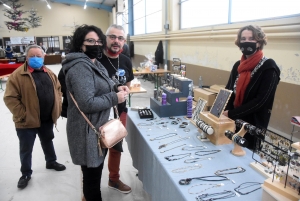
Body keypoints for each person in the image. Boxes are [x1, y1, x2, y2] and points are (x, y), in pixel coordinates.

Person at [61, 24, 129, 201]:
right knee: (92, 182)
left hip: (97, 128)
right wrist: (116, 98)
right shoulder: (79, 67)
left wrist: (116, 86)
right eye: (90, 41)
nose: (96, 44)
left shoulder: (93, 62)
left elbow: (105, 81)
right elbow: (87, 103)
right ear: (80, 43)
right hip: (87, 132)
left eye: (98, 41)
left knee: (94, 174)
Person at [3, 45, 66, 189]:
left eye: (39, 56)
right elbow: (10, 98)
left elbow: (58, 90)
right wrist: (23, 114)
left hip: (46, 118)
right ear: (27, 58)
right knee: (26, 148)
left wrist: (57, 106)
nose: (36, 59)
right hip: (27, 120)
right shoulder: (17, 75)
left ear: (44, 57)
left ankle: (51, 161)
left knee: (48, 141)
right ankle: (25, 173)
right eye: (32, 56)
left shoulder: (49, 72)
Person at [223, 25, 280, 150]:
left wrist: (231, 113)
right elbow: (229, 91)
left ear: (258, 42)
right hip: (231, 121)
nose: (246, 42)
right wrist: (220, 110)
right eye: (243, 39)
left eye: (251, 38)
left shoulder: (269, 67)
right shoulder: (238, 65)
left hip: (252, 124)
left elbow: (260, 102)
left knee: (246, 155)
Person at [97, 24, 134, 194]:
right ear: (105, 38)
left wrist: (125, 91)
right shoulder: (95, 59)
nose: (116, 41)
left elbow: (127, 84)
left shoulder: (125, 60)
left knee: (115, 149)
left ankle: (114, 179)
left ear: (124, 41)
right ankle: (90, 189)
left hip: (119, 113)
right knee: (95, 152)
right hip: (98, 112)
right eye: (112, 37)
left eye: (120, 38)